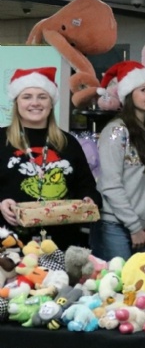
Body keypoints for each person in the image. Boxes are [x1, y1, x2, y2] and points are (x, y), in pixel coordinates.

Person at [0, 66, 101, 251]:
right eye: (27, 96)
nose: (35, 103)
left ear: (51, 102)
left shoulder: (68, 142)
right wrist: (1, 202)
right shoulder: (1, 139)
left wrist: (88, 199)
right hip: (10, 245)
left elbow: (86, 185)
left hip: (61, 245)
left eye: (42, 96)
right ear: (17, 102)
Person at [90, 61, 145, 260]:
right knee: (117, 287)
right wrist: (134, 226)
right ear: (129, 94)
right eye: (144, 89)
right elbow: (111, 185)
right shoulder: (115, 131)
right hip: (115, 226)